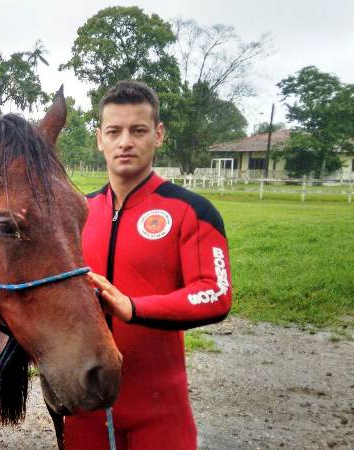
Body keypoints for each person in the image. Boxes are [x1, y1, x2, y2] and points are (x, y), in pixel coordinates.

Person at [64, 81, 233, 449]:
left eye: (137, 130)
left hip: (160, 411)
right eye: (114, 131)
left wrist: (134, 307)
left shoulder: (191, 211)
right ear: (99, 139)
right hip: (85, 410)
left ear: (158, 134)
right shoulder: (76, 213)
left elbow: (216, 294)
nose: (125, 141)